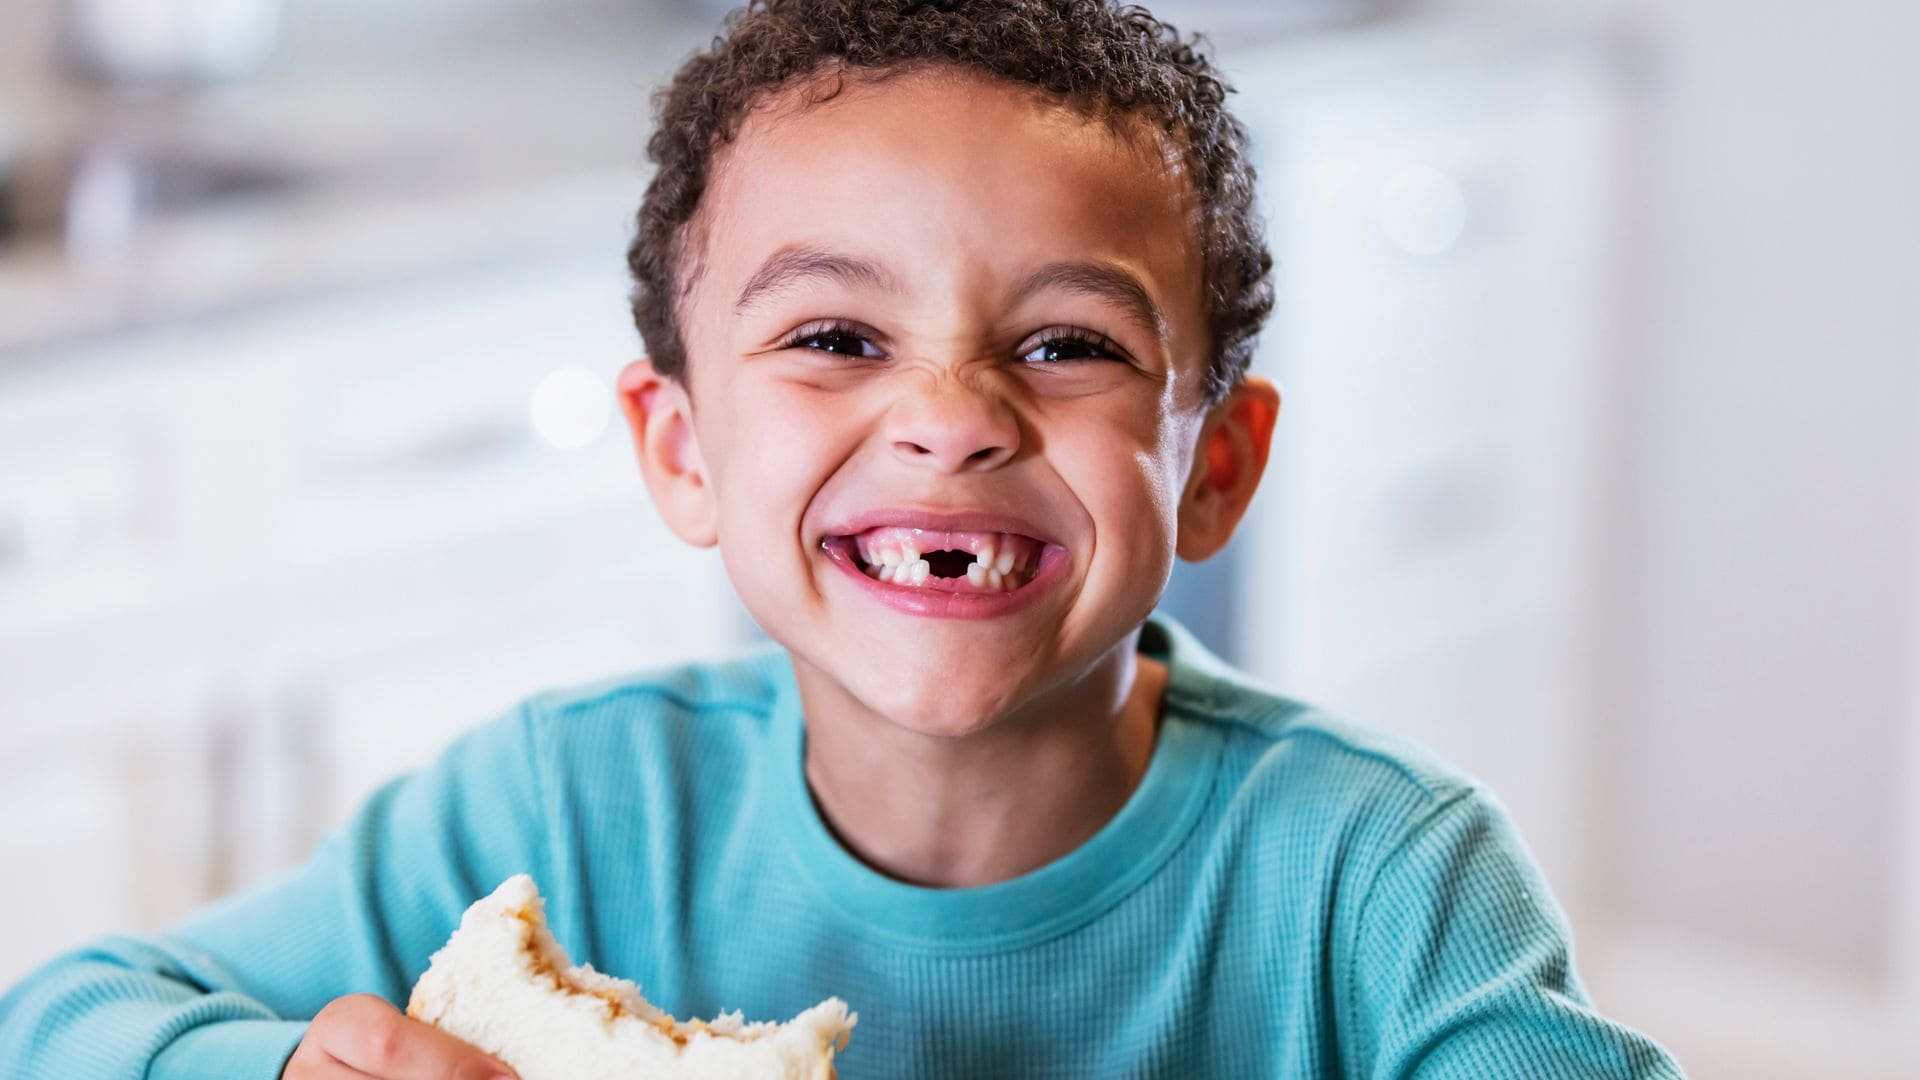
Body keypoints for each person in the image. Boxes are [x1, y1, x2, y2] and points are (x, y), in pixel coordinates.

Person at [0, 1, 1687, 1077]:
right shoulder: (563, 815)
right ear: (681, 453)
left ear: (1217, 468)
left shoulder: (1375, 883)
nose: (951, 415)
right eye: (834, 339)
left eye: (1067, 345)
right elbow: (64, 1018)